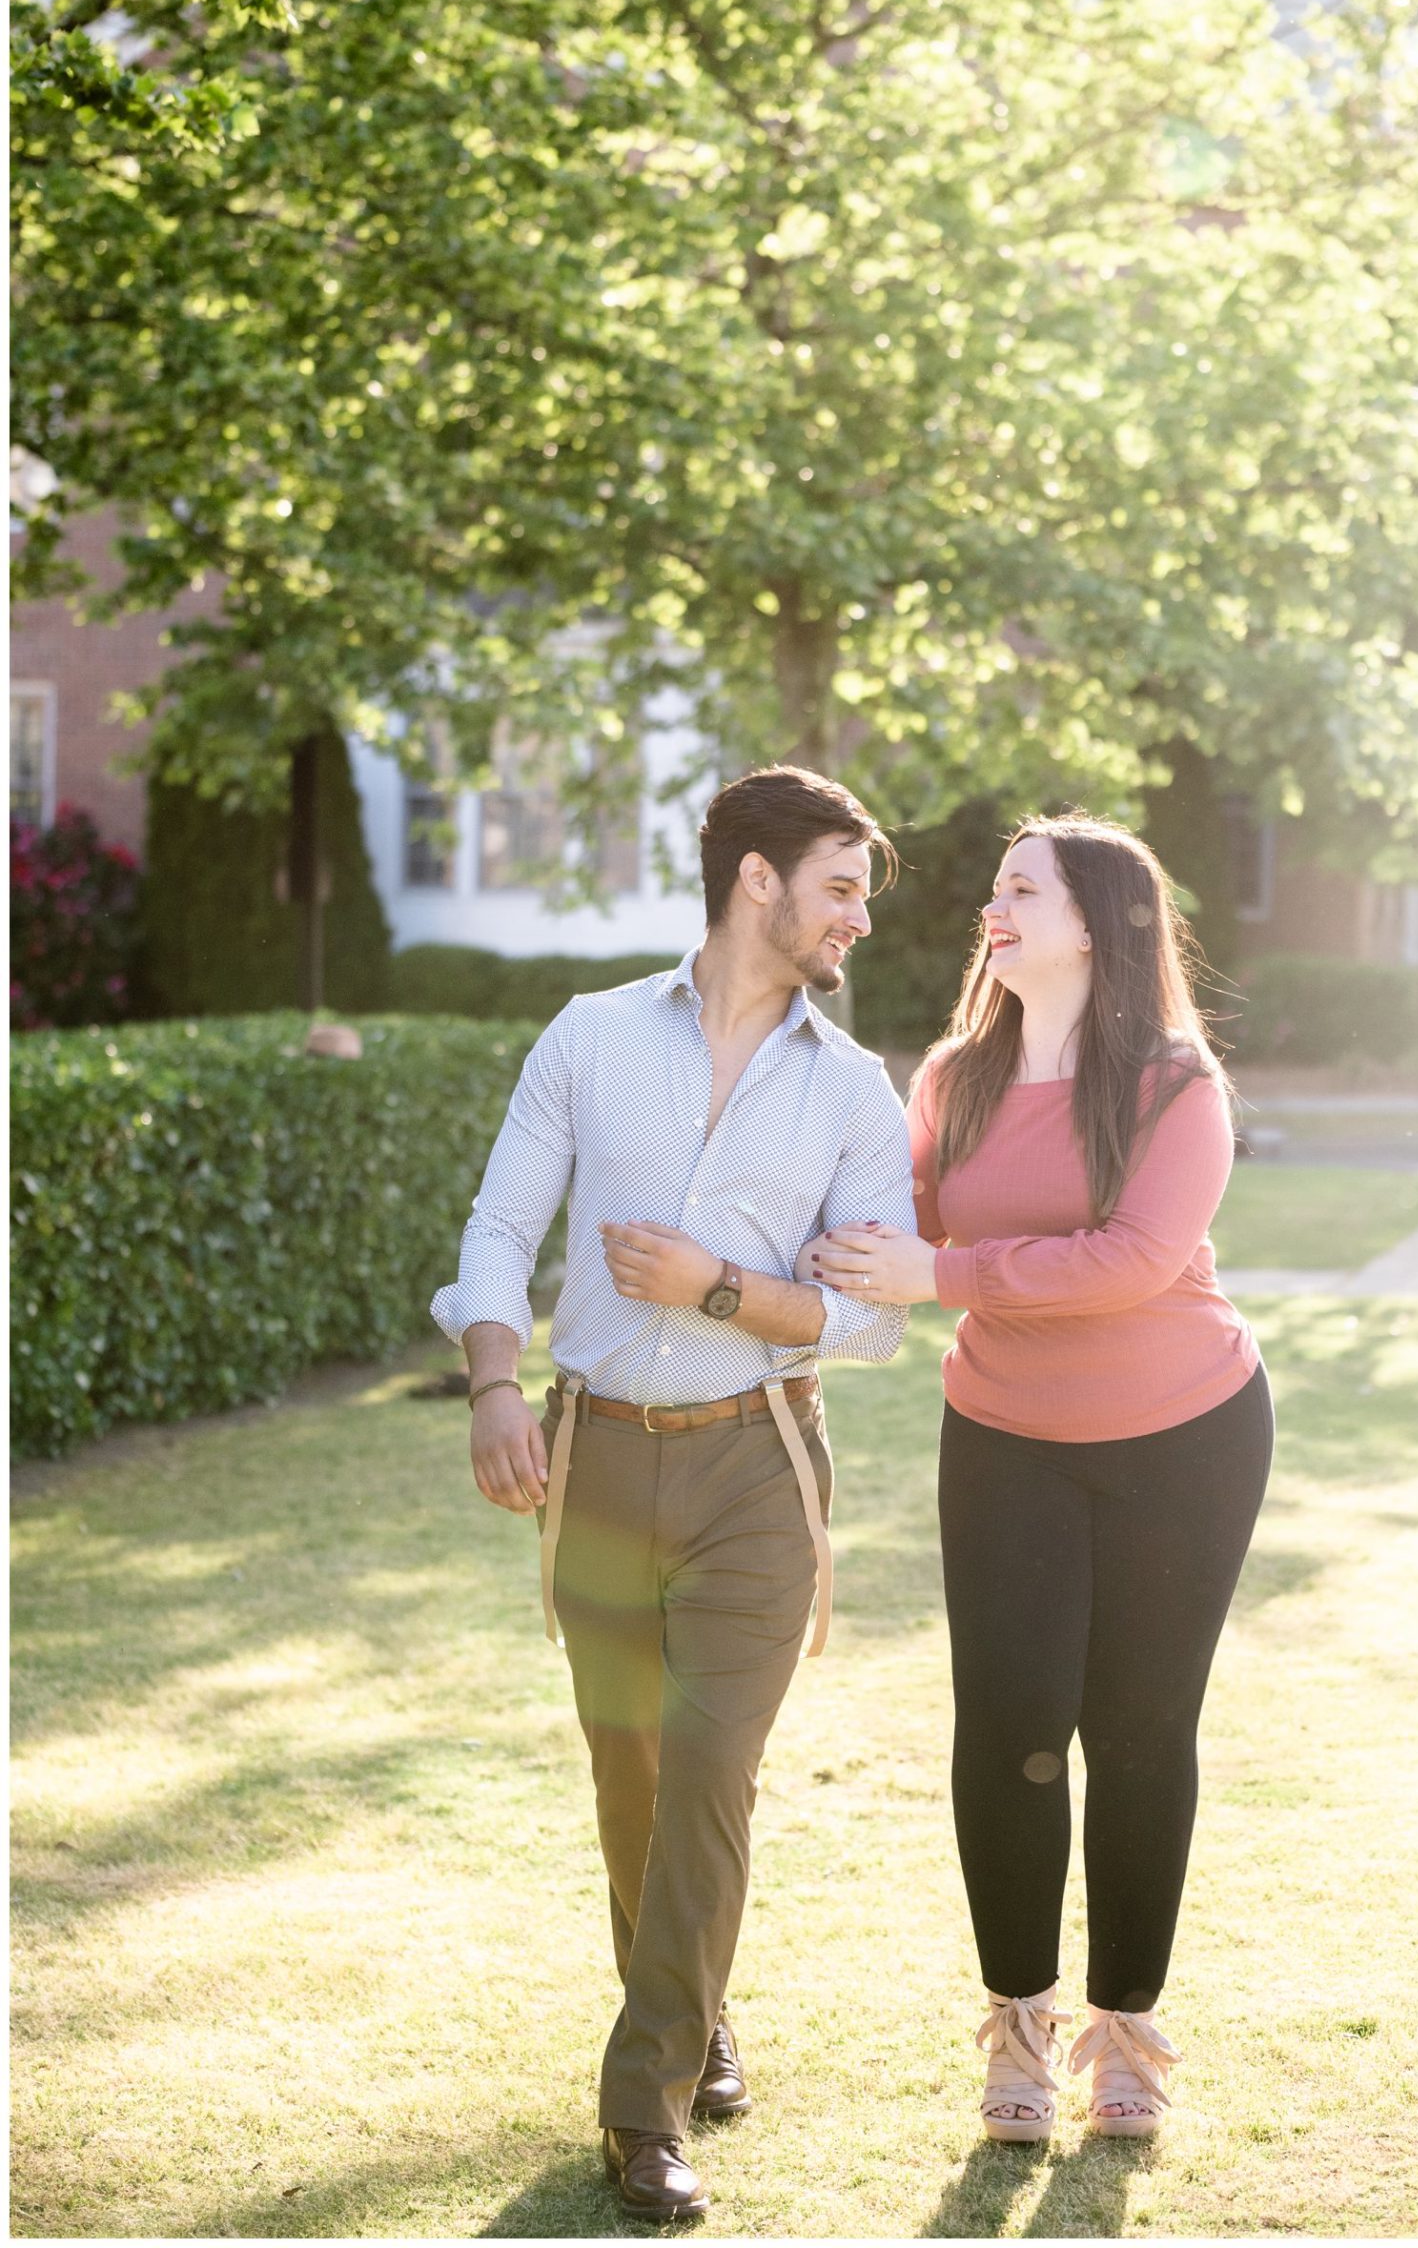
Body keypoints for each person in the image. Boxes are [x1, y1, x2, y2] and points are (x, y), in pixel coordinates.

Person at [433, 766, 915, 2223]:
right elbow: (501, 1226)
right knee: (630, 1771)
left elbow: (874, 1315)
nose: (859, 920)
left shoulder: (853, 1088)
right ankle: (696, 2018)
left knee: (712, 1773)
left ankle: (642, 2113)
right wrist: (496, 1384)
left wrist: (720, 1287)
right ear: (756, 882)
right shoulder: (589, 1038)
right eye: (842, 886)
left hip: (760, 1464)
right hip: (596, 1456)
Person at [800, 811, 1269, 2145]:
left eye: (1023, 887)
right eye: (994, 889)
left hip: (1185, 1434)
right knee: (1007, 1735)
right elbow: (886, 1227)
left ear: (1100, 920)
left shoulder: (1178, 1084)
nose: (993, 907)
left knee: (1137, 1736)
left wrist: (940, 1277)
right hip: (1005, 1438)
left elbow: (1128, 1259)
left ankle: (1127, 2037)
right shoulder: (954, 1076)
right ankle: (1018, 2029)